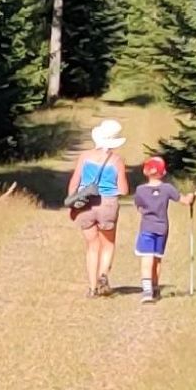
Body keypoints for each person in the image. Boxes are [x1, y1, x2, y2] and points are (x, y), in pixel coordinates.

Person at [68, 119, 130, 298]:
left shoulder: (85, 156)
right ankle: (103, 274)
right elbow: (124, 189)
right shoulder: (117, 160)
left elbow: (74, 182)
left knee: (91, 246)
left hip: (85, 203)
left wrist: (73, 201)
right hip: (108, 203)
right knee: (108, 243)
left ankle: (92, 288)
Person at [131, 156, 196, 304]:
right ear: (163, 172)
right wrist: (191, 197)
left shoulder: (140, 190)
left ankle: (147, 291)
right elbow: (185, 201)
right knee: (157, 258)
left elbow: (139, 207)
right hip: (162, 228)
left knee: (146, 258)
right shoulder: (167, 189)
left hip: (147, 227)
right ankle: (155, 287)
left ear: (145, 172)